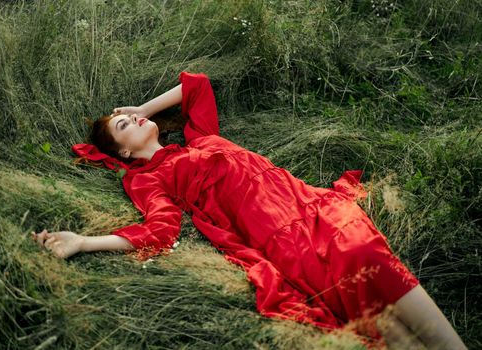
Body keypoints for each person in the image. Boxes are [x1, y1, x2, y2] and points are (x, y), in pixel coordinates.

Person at [32, 72, 467, 349]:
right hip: (274, 231)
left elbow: (197, 84)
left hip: (306, 203)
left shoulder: (198, 136)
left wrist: (142, 109)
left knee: (366, 255)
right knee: (362, 301)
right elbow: (159, 230)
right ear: (123, 153)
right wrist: (85, 242)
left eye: (129, 116)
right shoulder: (148, 178)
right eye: (124, 126)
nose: (135, 121)